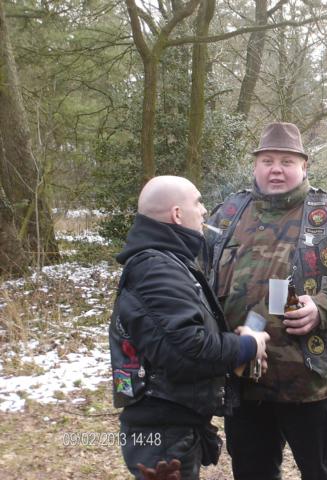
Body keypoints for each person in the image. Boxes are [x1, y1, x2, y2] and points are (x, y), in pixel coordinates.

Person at [205, 122, 327, 480]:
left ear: (304, 166)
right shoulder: (228, 213)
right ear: (255, 165)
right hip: (246, 381)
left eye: (286, 161)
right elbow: (199, 277)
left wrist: (323, 307)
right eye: (267, 160)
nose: (276, 169)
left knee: (322, 473)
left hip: (311, 382)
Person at [108, 175, 270, 480]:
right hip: (162, 433)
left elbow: (179, 336)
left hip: (171, 426)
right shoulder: (156, 268)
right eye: (198, 202)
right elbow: (186, 350)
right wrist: (247, 345)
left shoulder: (168, 261)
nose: (205, 210)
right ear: (177, 214)